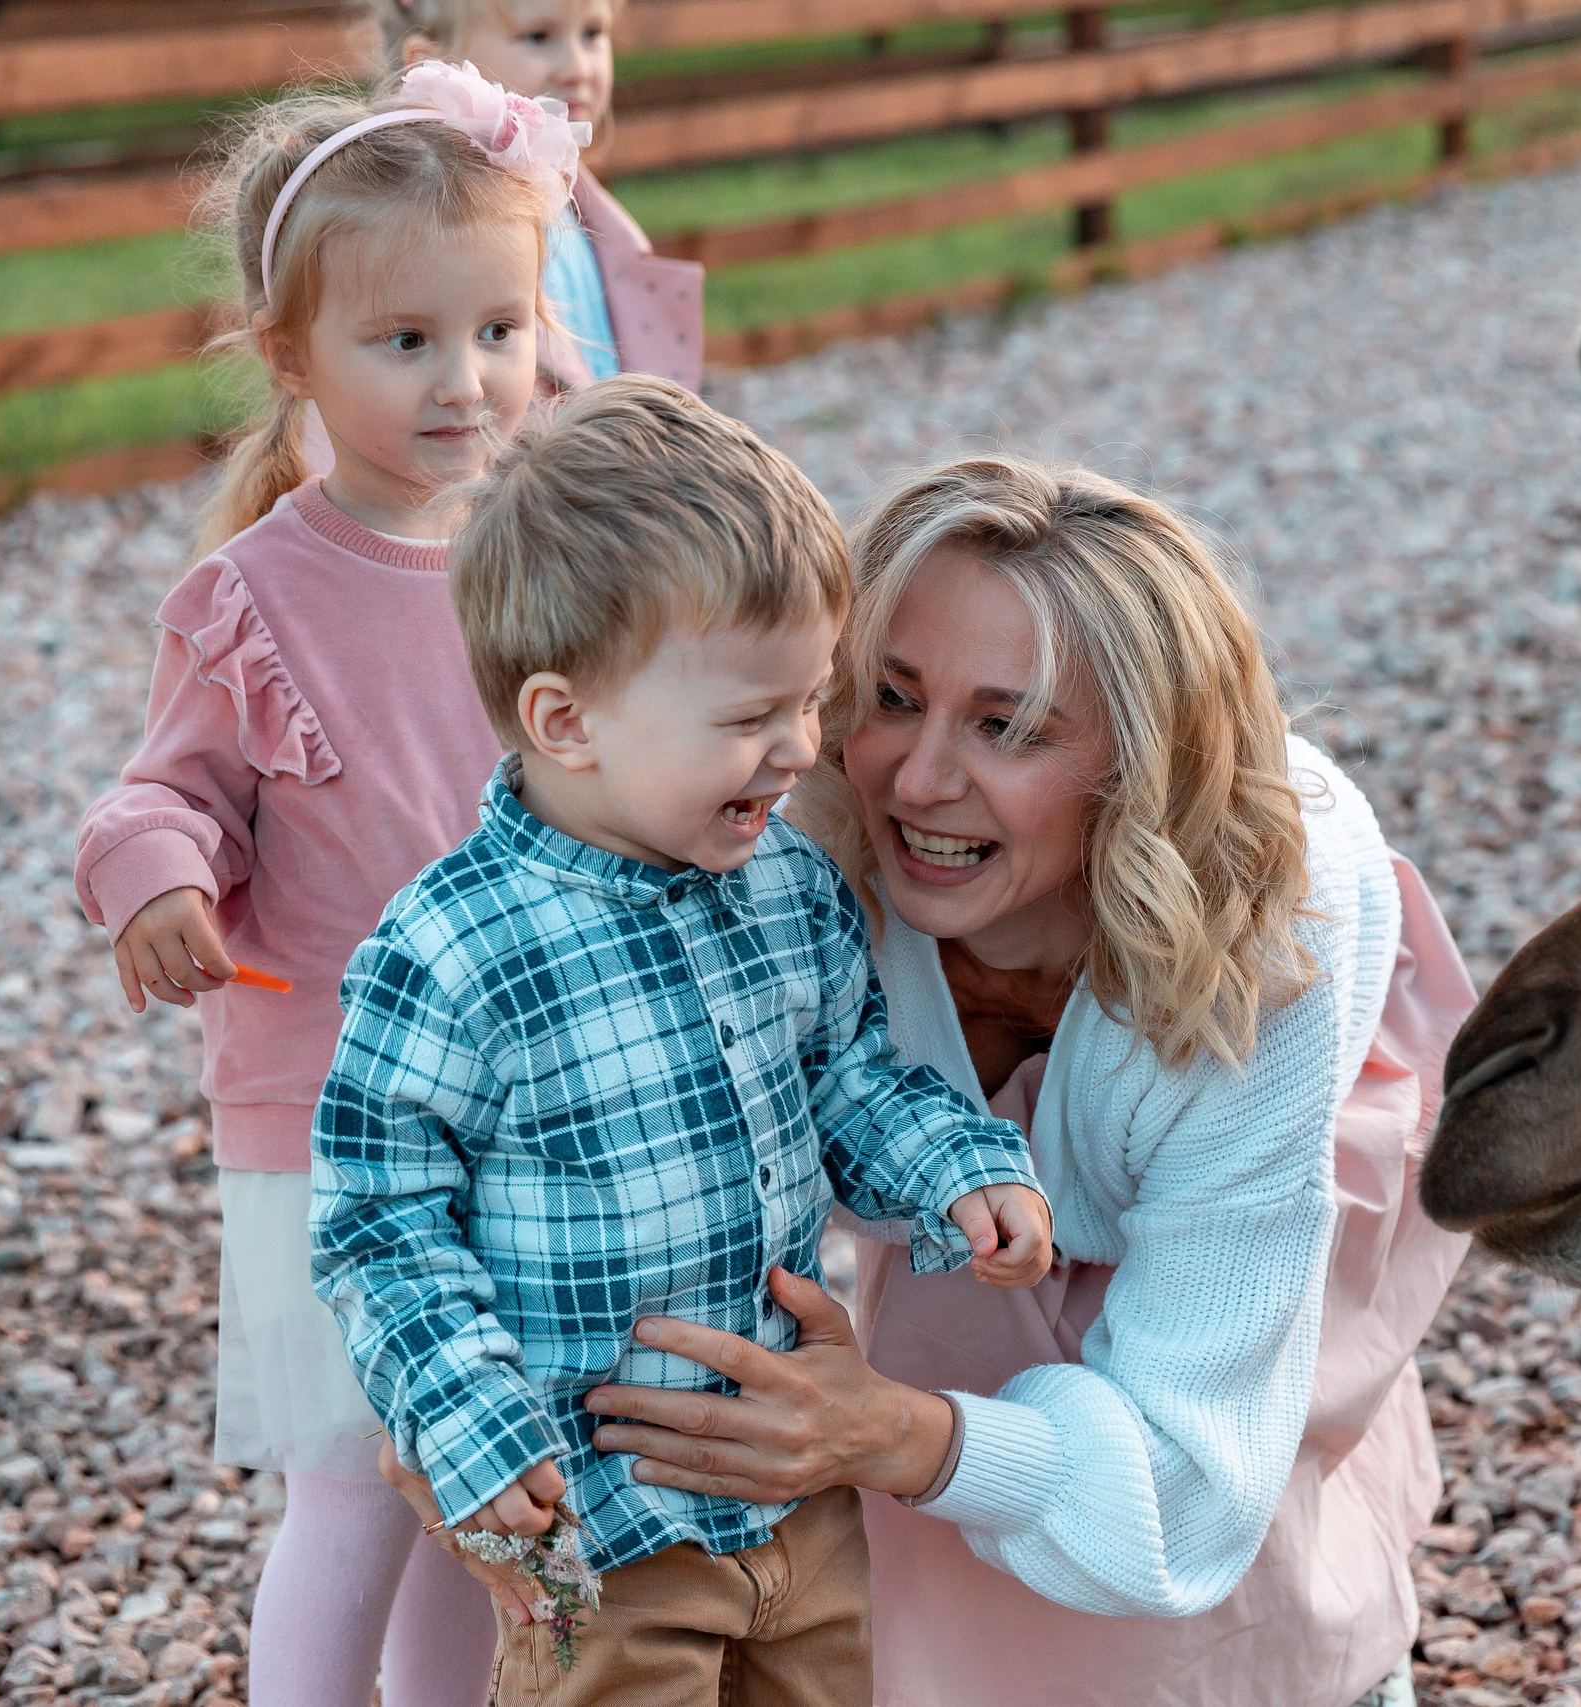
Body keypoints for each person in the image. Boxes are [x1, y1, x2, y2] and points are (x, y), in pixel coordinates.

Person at [404, 456, 1479, 1706]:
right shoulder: (764, 847)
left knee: (1240, 1584)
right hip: (941, 1333)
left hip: (1219, 1311)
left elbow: (1192, 1481)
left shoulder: (1268, 946)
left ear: (1141, 761)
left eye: (1006, 727)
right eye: (891, 698)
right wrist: (441, 1387)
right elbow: (522, 1117)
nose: (916, 781)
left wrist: (893, 1432)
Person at [314, 377, 1057, 1707]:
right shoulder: (453, 948)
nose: (800, 751)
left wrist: (955, 1165)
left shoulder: (786, 885)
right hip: (594, 1518)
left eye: (811, 700)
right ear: (565, 721)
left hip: (790, 1478)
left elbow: (848, 1080)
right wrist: (468, 1420)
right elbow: (381, 1220)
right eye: (746, 719)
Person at [72, 63, 579, 1707]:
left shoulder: (544, 563)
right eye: (408, 340)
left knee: (467, 1493)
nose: (466, 381)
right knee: (355, 1489)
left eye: (499, 330)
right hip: (330, 1121)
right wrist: (159, 881)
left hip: (515, 1106)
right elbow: (161, 795)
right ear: (291, 357)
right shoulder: (252, 597)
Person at [371, 0, 704, 390]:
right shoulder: (430, 239)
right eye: (538, 37)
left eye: (592, 33)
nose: (578, 68)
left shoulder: (575, 209)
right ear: (429, 66)